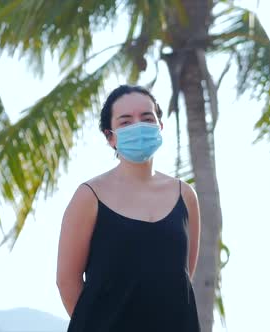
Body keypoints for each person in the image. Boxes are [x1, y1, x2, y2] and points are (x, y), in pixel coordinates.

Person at [56, 85, 202, 332]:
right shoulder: (89, 195)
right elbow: (67, 281)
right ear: (110, 136)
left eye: (147, 118)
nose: (138, 126)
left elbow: (183, 276)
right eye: (125, 122)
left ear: (160, 126)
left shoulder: (185, 195)